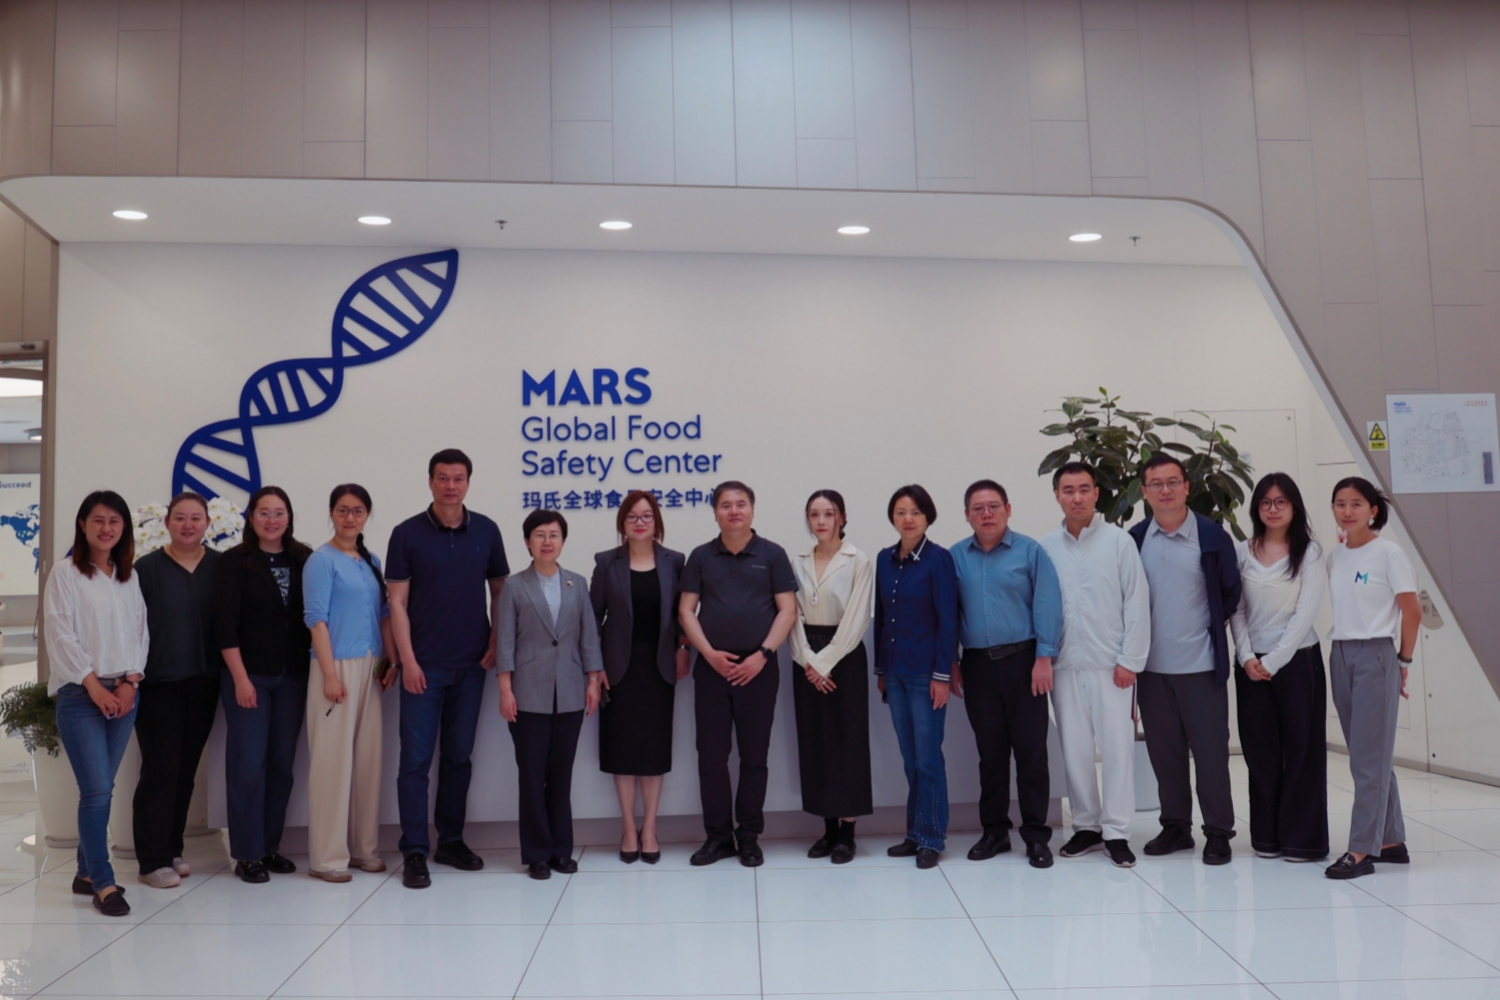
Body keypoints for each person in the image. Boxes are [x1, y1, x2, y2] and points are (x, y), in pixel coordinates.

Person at [386, 449, 509, 889]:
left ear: (468, 482)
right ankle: (414, 850)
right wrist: (408, 661)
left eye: (458, 478)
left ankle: (451, 842)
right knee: (415, 762)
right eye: (443, 478)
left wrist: (494, 642)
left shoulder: (487, 531)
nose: (450, 485)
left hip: (471, 665)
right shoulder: (406, 533)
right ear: (430, 481)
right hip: (423, 667)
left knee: (458, 759)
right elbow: (397, 602)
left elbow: (500, 593)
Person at [1128, 453, 1242, 865]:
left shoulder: (1211, 536)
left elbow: (1230, 591)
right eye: (1156, 484)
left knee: (1211, 755)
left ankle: (1218, 831)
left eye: (1173, 482)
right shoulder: (1135, 539)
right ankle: (1175, 827)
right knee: (1165, 754)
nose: (1165, 490)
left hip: (1201, 667)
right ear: (1144, 492)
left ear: (1187, 487)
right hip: (1152, 670)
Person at [679, 481, 798, 868]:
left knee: (754, 756)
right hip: (712, 670)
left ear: (752, 510)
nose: (734, 511)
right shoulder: (700, 556)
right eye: (726, 505)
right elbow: (686, 611)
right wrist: (709, 654)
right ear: (715, 513)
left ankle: (748, 835)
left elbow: (787, 610)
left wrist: (763, 655)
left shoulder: (772, 554)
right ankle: (717, 837)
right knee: (711, 757)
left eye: (741, 504)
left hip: (758, 670)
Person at [1042, 462, 1150, 869]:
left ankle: (1116, 831)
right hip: (1065, 666)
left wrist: (1130, 660)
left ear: (1096, 494)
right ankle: (1086, 826)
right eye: (1068, 490)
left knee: (1118, 750)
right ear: (1057, 496)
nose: (1077, 497)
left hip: (1112, 667)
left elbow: (1136, 602)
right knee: (1075, 751)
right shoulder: (1046, 547)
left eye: (1084, 489)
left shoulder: (1119, 542)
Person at [45, 491, 147, 917]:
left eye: (115, 521)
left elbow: (139, 631)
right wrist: (94, 685)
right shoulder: (66, 573)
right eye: (98, 520)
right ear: (82, 525)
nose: (107, 528)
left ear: (124, 528)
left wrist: (130, 682)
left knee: (102, 788)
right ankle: (104, 884)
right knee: (97, 790)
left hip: (124, 692)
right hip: (80, 695)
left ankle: (85, 873)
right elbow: (61, 635)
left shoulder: (127, 576)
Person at [950, 479, 1062, 869]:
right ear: (967, 515)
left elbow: (1047, 604)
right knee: (991, 754)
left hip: (1025, 663)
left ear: (1008, 509)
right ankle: (994, 832)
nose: (986, 514)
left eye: (993, 506)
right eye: (978, 508)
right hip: (977, 665)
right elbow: (949, 613)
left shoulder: (1030, 551)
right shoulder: (956, 557)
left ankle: (1036, 836)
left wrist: (1044, 657)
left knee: (1031, 753)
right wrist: (951, 661)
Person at [496, 510, 605, 879]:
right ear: (528, 541)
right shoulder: (514, 586)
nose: (547, 541)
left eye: (554, 535)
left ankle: (561, 851)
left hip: (571, 690)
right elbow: (505, 642)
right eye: (539, 535)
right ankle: (537, 853)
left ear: (563, 541)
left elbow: (588, 636)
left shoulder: (577, 583)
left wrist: (593, 680)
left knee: (561, 775)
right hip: (527, 693)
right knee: (531, 776)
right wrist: (505, 689)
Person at [215, 485, 313, 884]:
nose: (272, 520)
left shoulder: (304, 558)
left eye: (279, 512)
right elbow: (224, 626)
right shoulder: (234, 561)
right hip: (249, 676)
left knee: (281, 767)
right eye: (264, 513)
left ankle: (270, 846)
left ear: (289, 518)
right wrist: (240, 679)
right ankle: (247, 853)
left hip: (293, 677)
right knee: (248, 767)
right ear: (251, 518)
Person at [1324, 477, 1420, 880]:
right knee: (1369, 755)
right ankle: (1390, 840)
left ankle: (1361, 850)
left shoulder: (1389, 554)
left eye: (1356, 504)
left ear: (1373, 510)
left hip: (1376, 654)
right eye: (1340, 504)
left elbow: (1412, 612)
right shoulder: (1336, 556)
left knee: (1368, 761)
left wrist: (1403, 661)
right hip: (1341, 653)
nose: (1347, 511)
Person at [1231, 473, 1329, 863]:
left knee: (1302, 750)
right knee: (1260, 751)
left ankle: (1303, 841)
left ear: (1294, 506)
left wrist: (1273, 660)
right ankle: (1267, 838)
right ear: (1257, 508)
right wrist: (1246, 657)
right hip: (1251, 665)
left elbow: (1305, 614)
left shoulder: (1310, 553)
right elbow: (1237, 609)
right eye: (1265, 502)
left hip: (1298, 661)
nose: (1273, 509)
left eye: (1281, 502)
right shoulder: (1242, 551)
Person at [303, 484, 398, 882]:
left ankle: (364, 849)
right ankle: (327, 858)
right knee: (332, 764)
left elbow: (384, 615)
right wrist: (329, 675)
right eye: (342, 510)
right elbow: (316, 620)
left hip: (371, 666)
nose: (350, 517)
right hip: (335, 667)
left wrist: (391, 660)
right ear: (331, 513)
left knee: (366, 762)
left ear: (366, 516)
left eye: (358, 511)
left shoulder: (371, 560)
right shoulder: (320, 561)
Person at [590, 490, 689, 865]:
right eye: (632, 516)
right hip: (617, 668)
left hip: (659, 665)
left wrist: (683, 647)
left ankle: (650, 828)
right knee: (622, 751)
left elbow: (684, 612)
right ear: (622, 523)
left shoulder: (674, 561)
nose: (640, 522)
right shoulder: (606, 562)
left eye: (647, 515)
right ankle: (628, 829)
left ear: (657, 521)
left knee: (653, 750)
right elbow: (593, 616)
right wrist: (595, 666)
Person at [132, 492, 222, 889]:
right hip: (159, 686)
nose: (188, 525)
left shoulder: (221, 566)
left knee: (185, 772)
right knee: (160, 770)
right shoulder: (146, 569)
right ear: (167, 522)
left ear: (208, 524)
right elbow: (132, 627)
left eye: (196, 518)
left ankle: (171, 848)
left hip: (204, 684)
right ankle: (151, 860)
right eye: (180, 518)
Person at [788, 490, 874, 863]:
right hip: (806, 658)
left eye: (828, 513)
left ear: (842, 517)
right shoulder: (797, 561)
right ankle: (827, 830)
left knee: (847, 742)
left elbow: (857, 617)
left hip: (845, 655)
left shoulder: (859, 560)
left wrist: (824, 663)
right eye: (814, 514)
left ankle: (847, 833)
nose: (821, 521)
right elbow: (790, 616)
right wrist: (808, 660)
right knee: (816, 741)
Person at [876, 484, 958, 870]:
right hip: (894, 673)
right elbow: (881, 616)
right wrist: (881, 670)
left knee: (928, 759)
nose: (908, 519)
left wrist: (942, 674)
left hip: (926, 675)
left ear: (928, 517)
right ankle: (914, 832)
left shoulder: (939, 559)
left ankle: (931, 837)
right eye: (901, 512)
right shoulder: (884, 559)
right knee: (910, 759)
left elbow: (948, 620)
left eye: (915, 512)